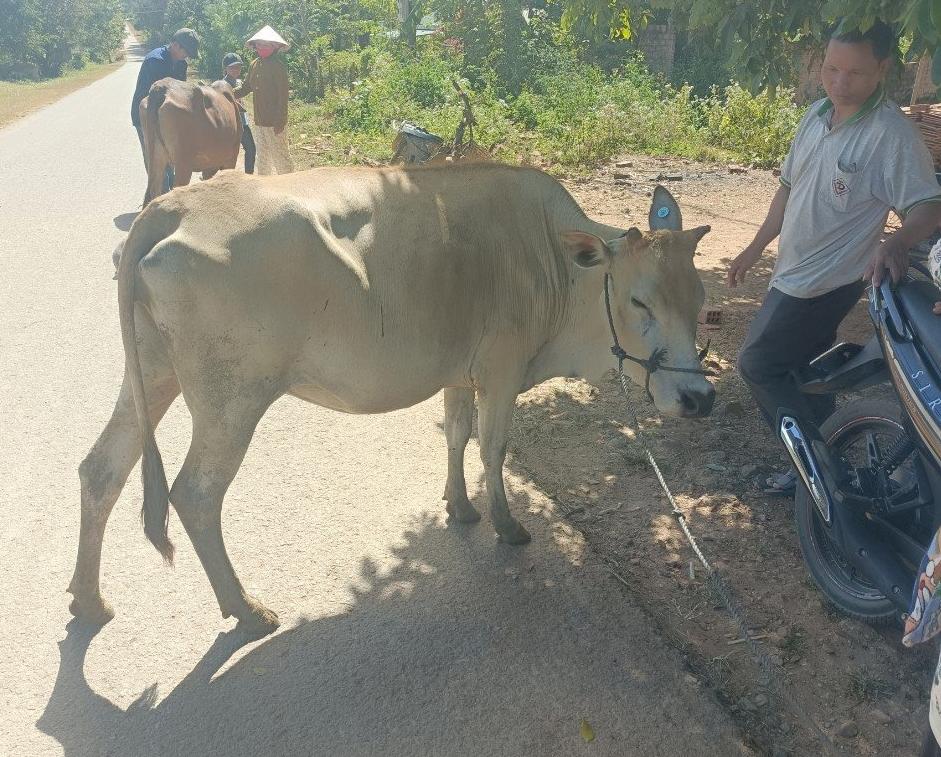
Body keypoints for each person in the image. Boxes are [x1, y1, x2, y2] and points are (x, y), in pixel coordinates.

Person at [728, 19, 941, 496]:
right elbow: (787, 188)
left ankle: (817, 471)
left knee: (758, 365)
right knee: (799, 371)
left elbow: (929, 205)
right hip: (791, 270)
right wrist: (756, 245)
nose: (840, 84)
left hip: (828, 281)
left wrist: (897, 241)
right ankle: (833, 453)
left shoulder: (892, 135)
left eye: (856, 74)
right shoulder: (816, 114)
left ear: (883, 69)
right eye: (831, 69)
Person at [130, 28, 200, 193]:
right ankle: (159, 199)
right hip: (147, 117)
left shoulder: (181, 64)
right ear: (175, 45)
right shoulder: (156, 61)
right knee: (156, 160)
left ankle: (165, 196)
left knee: (170, 158)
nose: (187, 56)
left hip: (168, 118)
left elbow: (180, 92)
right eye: (186, 51)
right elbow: (154, 100)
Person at [233, 26, 293, 176]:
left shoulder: (278, 67)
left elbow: (283, 96)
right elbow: (246, 87)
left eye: (265, 45)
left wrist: (281, 121)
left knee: (281, 158)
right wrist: (228, 93)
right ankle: (265, 189)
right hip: (259, 121)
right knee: (263, 158)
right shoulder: (254, 64)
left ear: (274, 47)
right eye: (258, 44)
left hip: (275, 122)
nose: (261, 48)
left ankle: (290, 187)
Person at [222, 52, 256, 174]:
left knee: (251, 149)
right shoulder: (222, 85)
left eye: (238, 67)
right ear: (225, 68)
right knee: (227, 153)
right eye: (232, 67)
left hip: (243, 123)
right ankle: (221, 178)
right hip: (229, 125)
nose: (236, 70)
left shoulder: (240, 82)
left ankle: (248, 176)